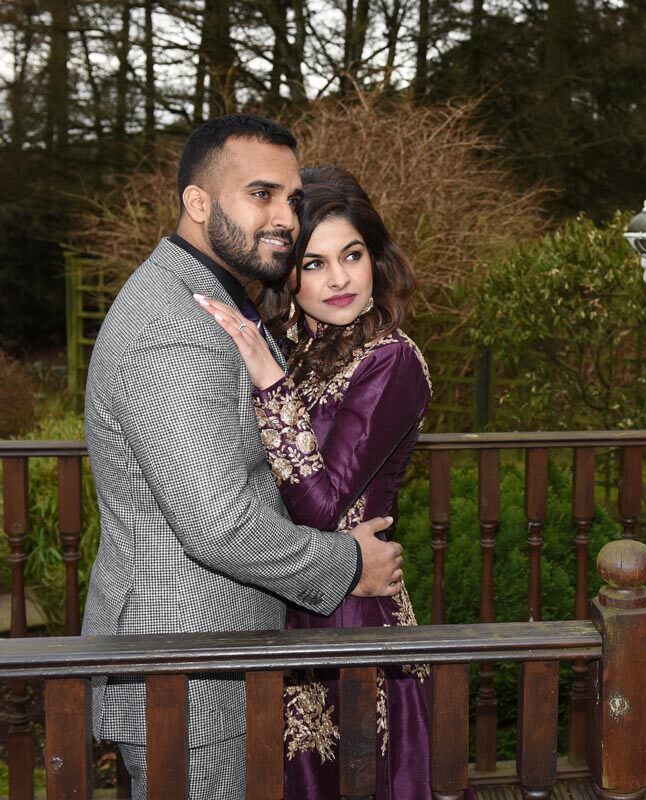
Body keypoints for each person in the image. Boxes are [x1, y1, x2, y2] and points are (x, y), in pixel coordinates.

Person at [81, 116, 404, 800]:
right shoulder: (174, 327)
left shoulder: (215, 301)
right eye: (260, 193)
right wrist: (349, 563)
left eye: (290, 197)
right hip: (188, 676)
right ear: (199, 204)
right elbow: (219, 523)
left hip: (212, 665)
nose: (283, 218)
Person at [196, 165, 433, 799]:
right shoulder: (281, 347)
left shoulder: (392, 360)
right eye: (315, 262)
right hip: (279, 602)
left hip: (353, 614)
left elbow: (324, 508)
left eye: (352, 256)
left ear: (374, 260)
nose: (338, 279)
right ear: (289, 275)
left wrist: (269, 386)